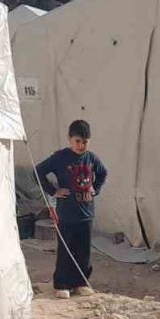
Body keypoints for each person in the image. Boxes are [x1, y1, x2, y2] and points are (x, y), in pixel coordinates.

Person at [36, 120, 108, 299]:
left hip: (86, 214)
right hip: (66, 214)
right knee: (65, 249)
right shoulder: (60, 157)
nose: (81, 145)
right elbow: (38, 171)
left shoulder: (91, 158)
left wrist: (95, 189)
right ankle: (62, 284)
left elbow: (103, 173)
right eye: (77, 141)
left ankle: (81, 283)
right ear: (70, 139)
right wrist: (54, 191)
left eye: (85, 142)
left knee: (83, 250)